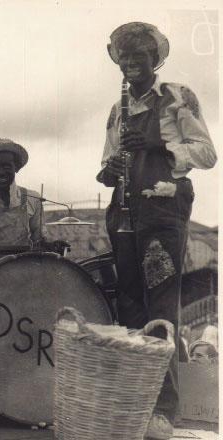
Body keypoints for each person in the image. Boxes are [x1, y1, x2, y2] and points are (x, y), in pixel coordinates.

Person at [97, 22, 217, 439]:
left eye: (139, 57)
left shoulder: (178, 97)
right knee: (129, 303)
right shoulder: (118, 109)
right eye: (124, 58)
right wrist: (109, 169)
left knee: (161, 303)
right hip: (125, 210)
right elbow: (107, 163)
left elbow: (206, 154)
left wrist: (157, 146)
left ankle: (164, 408)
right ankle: (135, 400)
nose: (130, 65)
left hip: (164, 207)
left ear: (155, 60)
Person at [0, 138, 66, 265]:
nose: (1, 172)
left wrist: (52, 246)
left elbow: (39, 241)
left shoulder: (33, 199)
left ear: (16, 167)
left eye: (6, 166)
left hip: (25, 267)